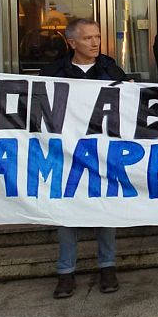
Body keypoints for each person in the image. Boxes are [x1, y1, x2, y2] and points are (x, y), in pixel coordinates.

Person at [40, 18, 127, 299]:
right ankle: (66, 272)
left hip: (103, 152)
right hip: (66, 154)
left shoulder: (111, 70)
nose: (95, 43)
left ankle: (107, 266)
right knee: (67, 211)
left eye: (97, 37)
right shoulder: (53, 73)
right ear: (72, 42)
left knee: (105, 208)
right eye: (88, 38)